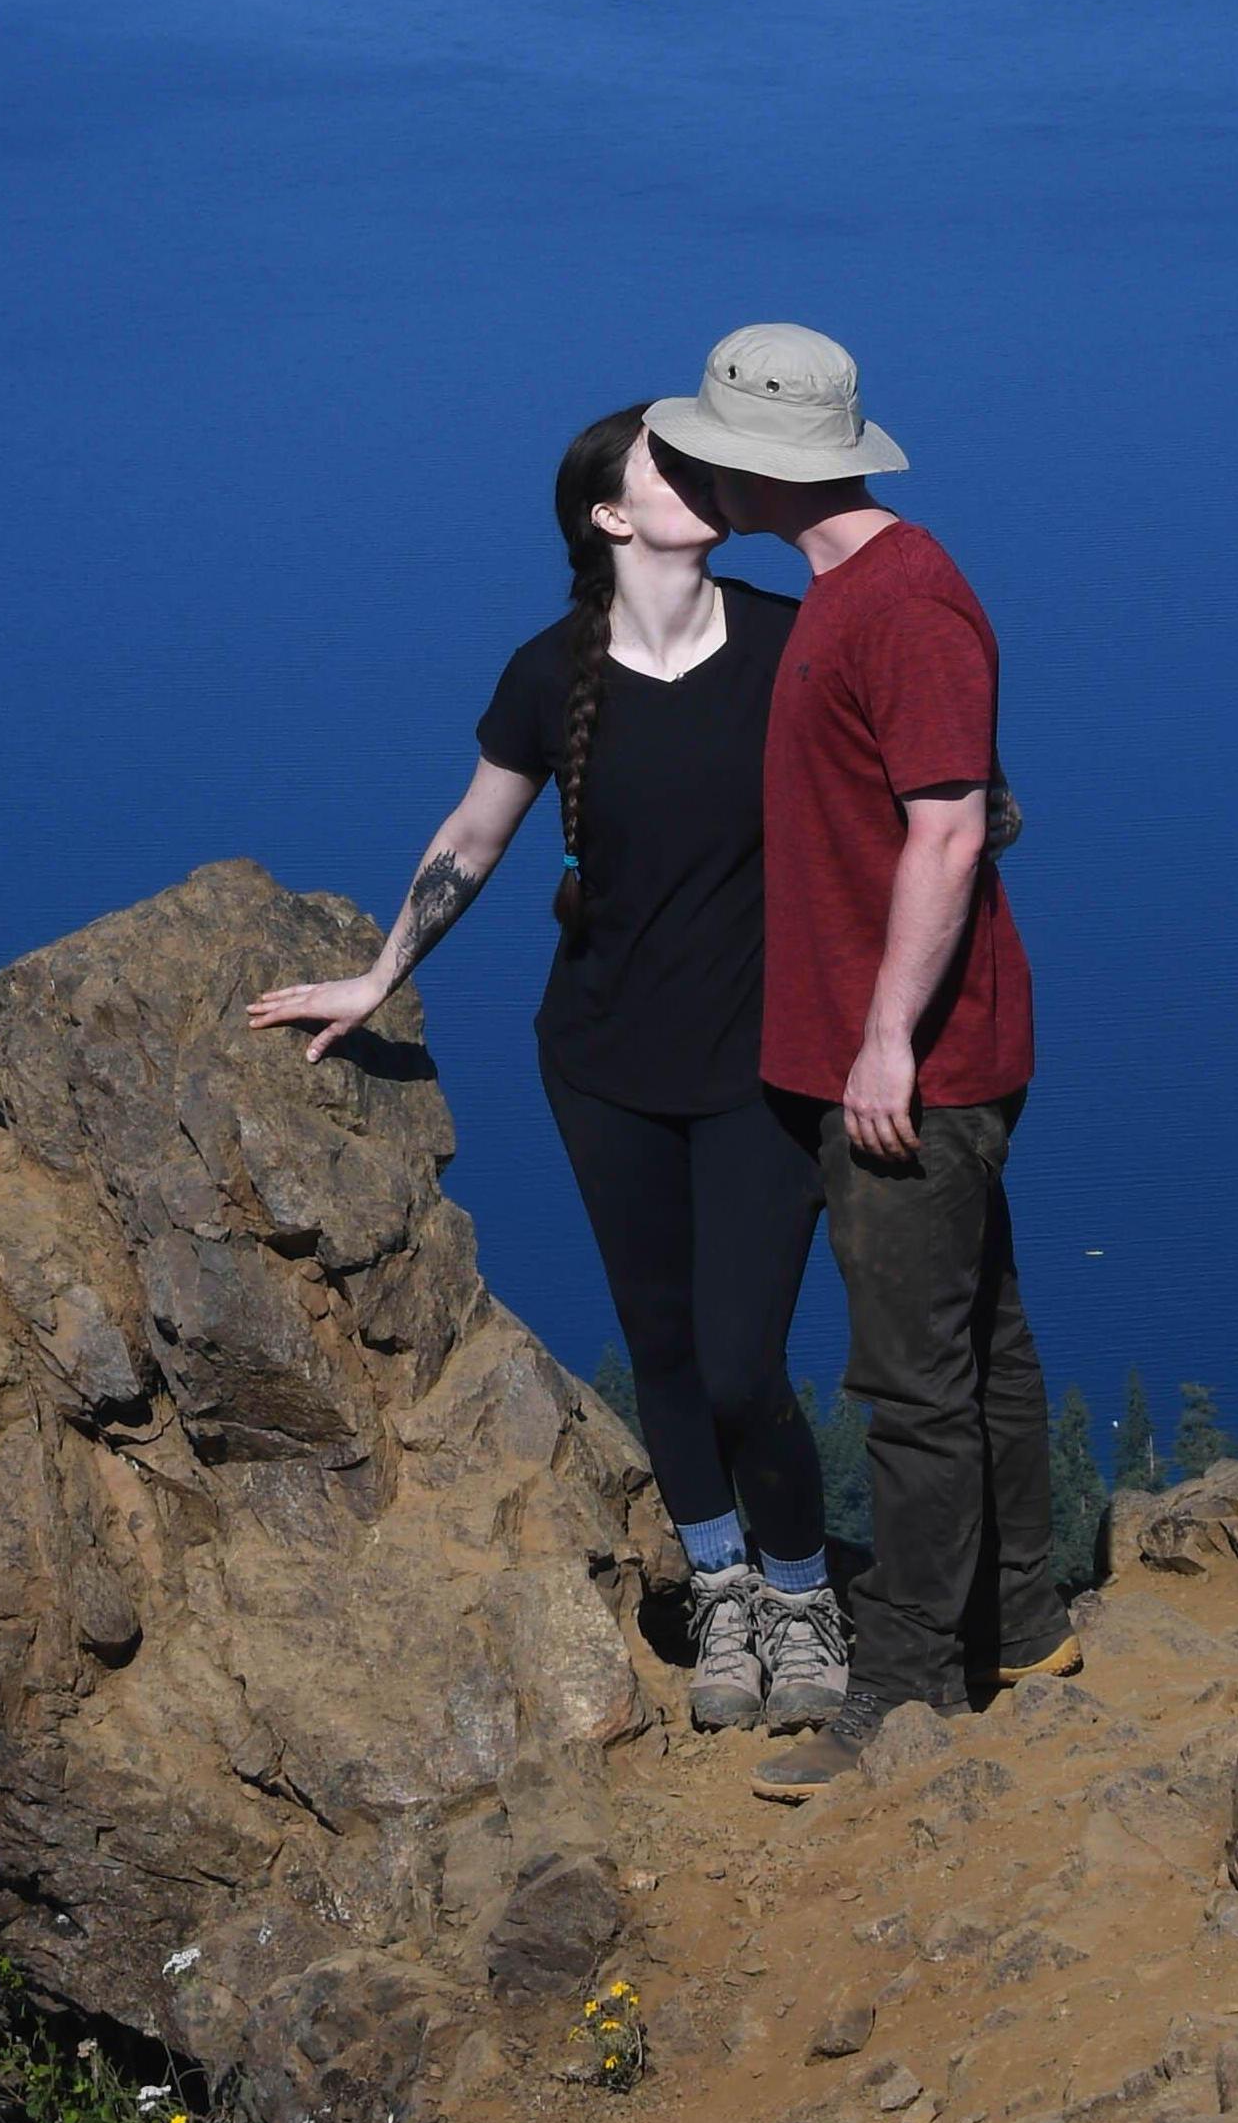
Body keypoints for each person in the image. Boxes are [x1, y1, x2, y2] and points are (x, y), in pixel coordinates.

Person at [246, 407, 853, 1736]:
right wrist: (380, 971)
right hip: (602, 1066)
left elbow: (895, 794)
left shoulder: (789, 644)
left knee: (747, 1361)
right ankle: (723, 1592)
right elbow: (474, 830)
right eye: (666, 464)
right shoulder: (546, 673)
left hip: (764, 1070)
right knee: (666, 1346)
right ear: (611, 517)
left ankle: (804, 1594)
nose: (702, 474)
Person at [637, 320, 1063, 1796]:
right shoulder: (846, 589)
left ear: (765, 465)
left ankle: (904, 1694)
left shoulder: (906, 603)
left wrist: (886, 1043)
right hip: (885, 1050)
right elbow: (952, 798)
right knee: (980, 1342)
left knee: (909, 1386)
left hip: (915, 1071)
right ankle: (1024, 1619)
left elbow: (947, 829)